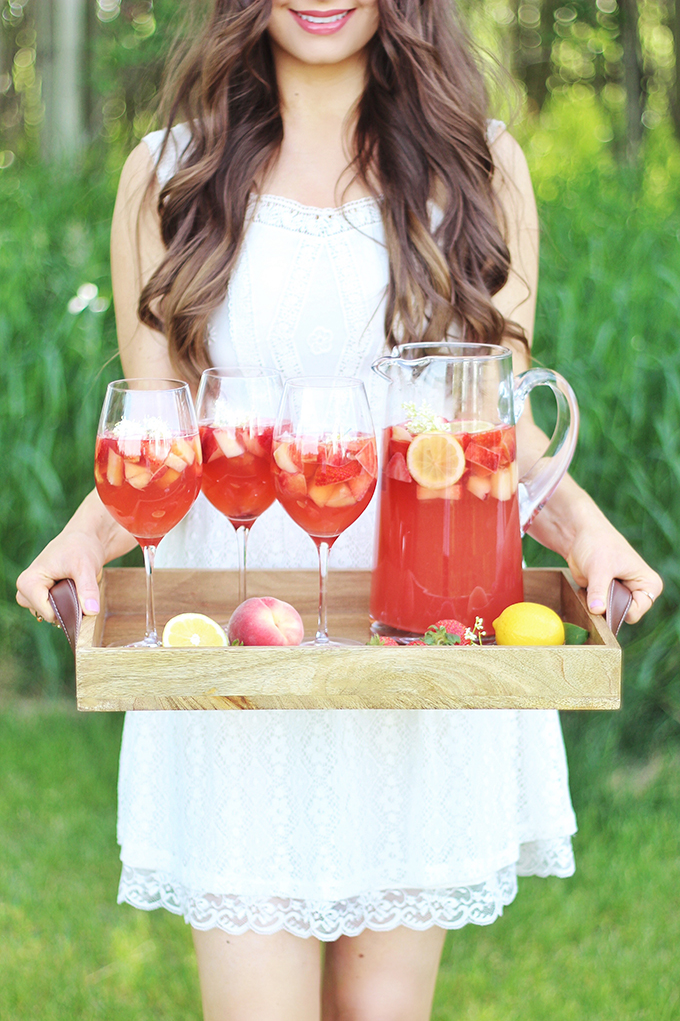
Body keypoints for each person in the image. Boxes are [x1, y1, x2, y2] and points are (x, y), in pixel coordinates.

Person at [17, 1, 662, 1018]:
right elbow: (159, 440)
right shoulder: (167, 172)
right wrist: (83, 538)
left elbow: (493, 429)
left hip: (416, 647)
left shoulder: (478, 166)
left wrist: (585, 533)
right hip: (239, 670)